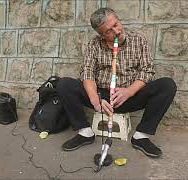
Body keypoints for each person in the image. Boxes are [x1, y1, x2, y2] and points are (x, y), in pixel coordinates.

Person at [56, 8, 176, 158]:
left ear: (119, 20)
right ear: (101, 35)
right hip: (103, 96)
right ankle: (84, 132)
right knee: (64, 84)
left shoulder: (138, 40)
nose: (117, 31)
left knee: (167, 85)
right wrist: (95, 99)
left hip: (129, 95)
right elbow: (87, 72)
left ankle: (141, 136)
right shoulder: (94, 44)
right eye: (108, 31)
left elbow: (147, 71)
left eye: (116, 24)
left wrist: (129, 91)